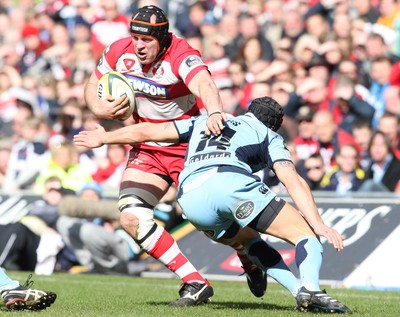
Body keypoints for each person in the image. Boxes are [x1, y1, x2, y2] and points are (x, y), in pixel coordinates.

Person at [74, 96, 352, 313]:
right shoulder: (269, 135)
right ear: (274, 124)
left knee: (249, 240)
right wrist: (318, 224)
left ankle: (296, 292)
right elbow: (292, 180)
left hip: (191, 198)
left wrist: (104, 138)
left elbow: (150, 131)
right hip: (229, 183)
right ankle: (312, 290)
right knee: (304, 234)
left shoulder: (205, 120)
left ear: (248, 110)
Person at [82, 5, 227, 306]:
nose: (138, 45)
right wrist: (99, 109)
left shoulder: (181, 54)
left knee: (212, 221)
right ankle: (195, 282)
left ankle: (248, 254)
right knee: (131, 217)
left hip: (187, 145)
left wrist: (214, 111)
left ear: (162, 38)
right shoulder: (119, 52)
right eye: (135, 37)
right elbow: (92, 83)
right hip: (146, 145)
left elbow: (205, 84)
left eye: (146, 40)